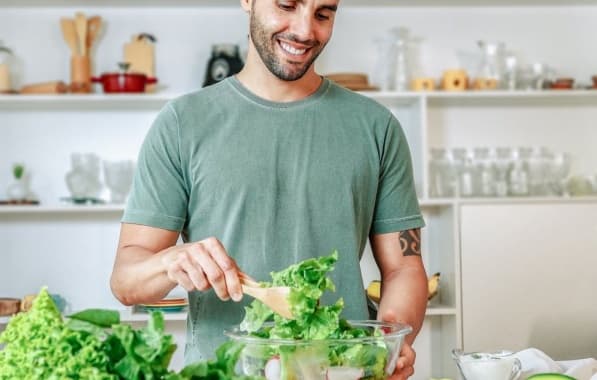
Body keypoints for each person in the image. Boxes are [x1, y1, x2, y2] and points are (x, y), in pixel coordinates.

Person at [110, 0, 428, 378]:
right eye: (287, 5)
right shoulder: (183, 124)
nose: (305, 30)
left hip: (341, 371)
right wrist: (171, 261)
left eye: (323, 14)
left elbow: (404, 267)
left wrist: (391, 339)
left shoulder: (376, 128)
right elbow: (126, 281)